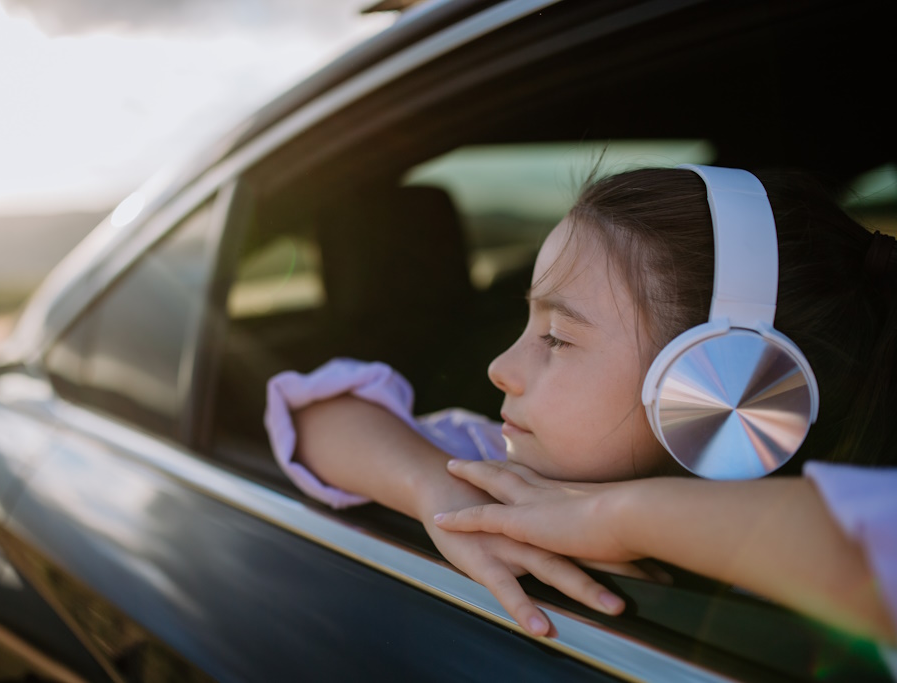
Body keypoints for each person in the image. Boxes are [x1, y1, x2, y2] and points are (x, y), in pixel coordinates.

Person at [263, 166, 897, 639]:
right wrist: (436, 492)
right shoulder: (504, 477)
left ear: (729, 385)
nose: (499, 367)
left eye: (558, 337)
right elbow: (315, 411)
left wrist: (625, 518)